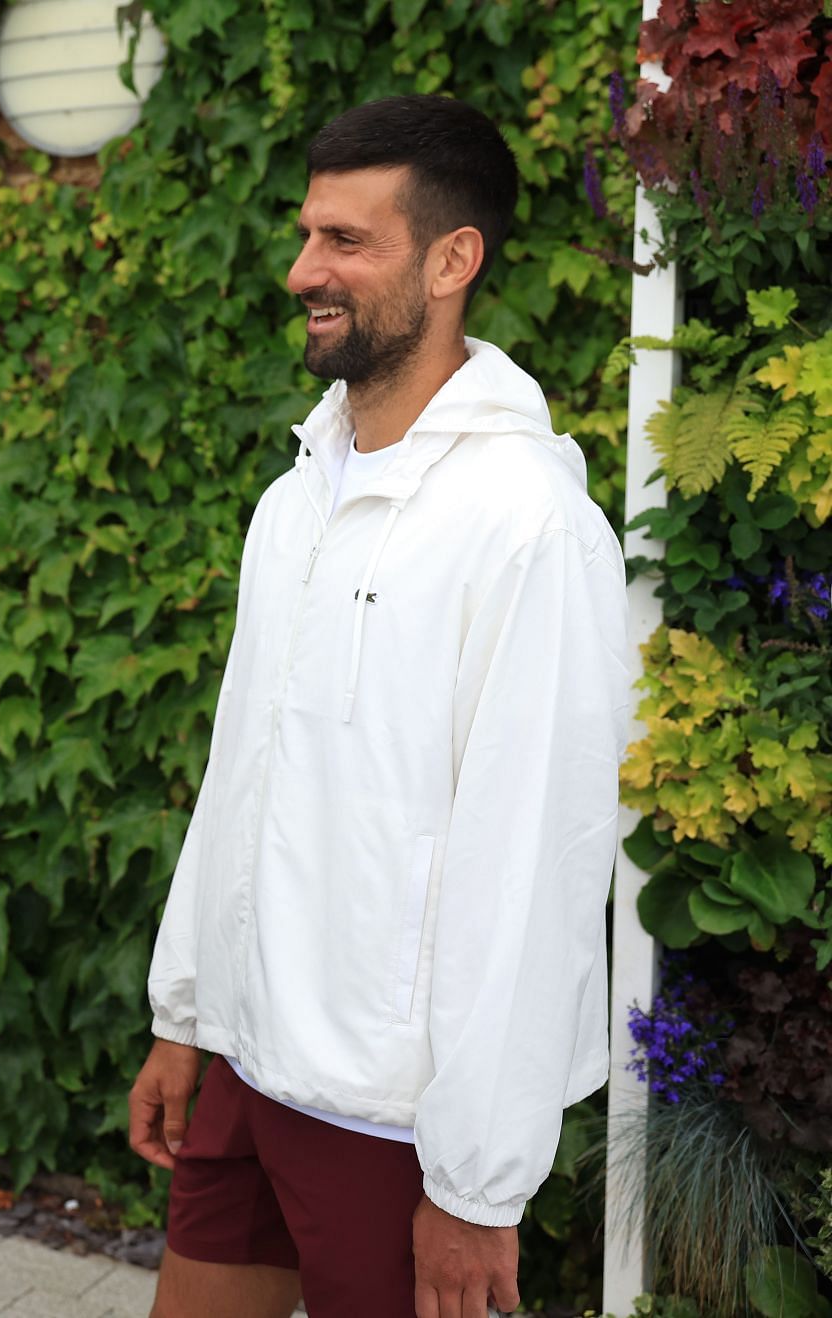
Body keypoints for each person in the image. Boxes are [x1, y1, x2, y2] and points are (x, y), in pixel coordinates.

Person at [127, 95, 631, 1318]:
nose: (307, 270)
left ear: (454, 260)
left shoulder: (529, 526)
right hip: (250, 1063)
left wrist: (477, 1182)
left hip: (394, 1119)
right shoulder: (293, 500)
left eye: (348, 242)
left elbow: (533, 867)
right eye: (308, 235)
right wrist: (187, 1010)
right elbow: (240, 769)